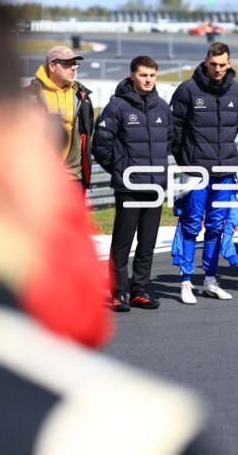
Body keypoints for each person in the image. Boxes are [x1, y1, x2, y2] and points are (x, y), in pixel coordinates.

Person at [0, 0, 214, 454]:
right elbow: (76, 318)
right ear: (6, 141)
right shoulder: (135, 428)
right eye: (69, 62)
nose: (75, 68)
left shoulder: (89, 98)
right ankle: (121, 288)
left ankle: (136, 288)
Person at [92, 56, 173, 311]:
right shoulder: (117, 107)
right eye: (143, 75)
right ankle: (119, 293)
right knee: (122, 242)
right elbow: (101, 145)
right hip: (129, 187)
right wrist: (121, 169)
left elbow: (168, 141)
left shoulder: (162, 107)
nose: (148, 80)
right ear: (132, 76)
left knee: (147, 243)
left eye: (152, 75)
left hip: (155, 187)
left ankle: (140, 290)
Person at [170, 42, 238, 302]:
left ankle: (210, 280)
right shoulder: (187, 90)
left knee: (216, 227)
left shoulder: (236, 90)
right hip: (196, 172)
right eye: (214, 64)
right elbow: (174, 129)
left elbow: (235, 126)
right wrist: (185, 160)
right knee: (191, 226)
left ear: (229, 63)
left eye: (223, 64)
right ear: (206, 61)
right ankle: (186, 282)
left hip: (224, 172)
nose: (218, 69)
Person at [26, 45, 94, 191]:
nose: (73, 68)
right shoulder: (28, 96)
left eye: (74, 63)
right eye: (67, 63)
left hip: (73, 178)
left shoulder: (82, 96)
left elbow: (87, 134)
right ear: (52, 66)